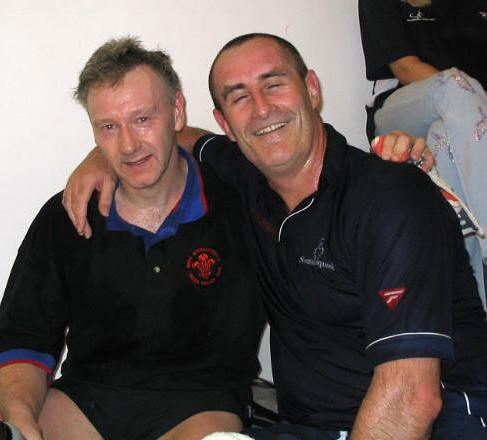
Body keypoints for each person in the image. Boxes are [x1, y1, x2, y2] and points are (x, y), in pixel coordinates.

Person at [63, 33, 487, 439]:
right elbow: (177, 139)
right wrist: (103, 157)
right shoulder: (247, 177)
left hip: (438, 424)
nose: (262, 109)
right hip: (310, 428)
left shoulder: (388, 198)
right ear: (226, 123)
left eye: (274, 84)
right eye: (239, 97)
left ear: (312, 89)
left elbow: (412, 399)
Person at [0, 37, 267, 440]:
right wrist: (20, 421)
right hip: (87, 400)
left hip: (203, 404)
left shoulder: (240, 203)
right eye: (109, 127)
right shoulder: (68, 214)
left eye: (142, 119)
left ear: (177, 111)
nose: (128, 145)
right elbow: (23, 337)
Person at [359, 0, 487, 307]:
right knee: (456, 83)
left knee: (445, 141)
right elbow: (405, 67)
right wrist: (474, 96)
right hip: (403, 111)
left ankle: (477, 307)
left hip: (463, 122)